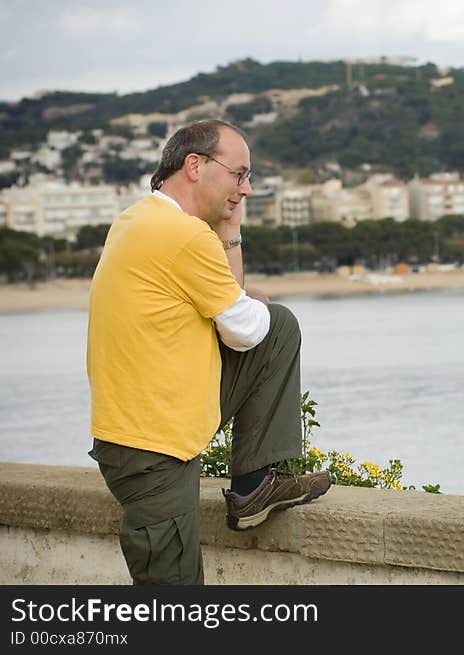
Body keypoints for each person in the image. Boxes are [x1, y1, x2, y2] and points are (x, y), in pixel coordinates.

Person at [86, 119, 331, 585]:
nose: (248, 187)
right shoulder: (182, 235)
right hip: (151, 447)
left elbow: (235, 311)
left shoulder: (136, 220)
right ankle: (255, 483)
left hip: (144, 427)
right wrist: (249, 303)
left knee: (277, 325)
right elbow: (243, 331)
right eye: (239, 174)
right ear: (194, 165)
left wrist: (231, 225)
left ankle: (255, 486)